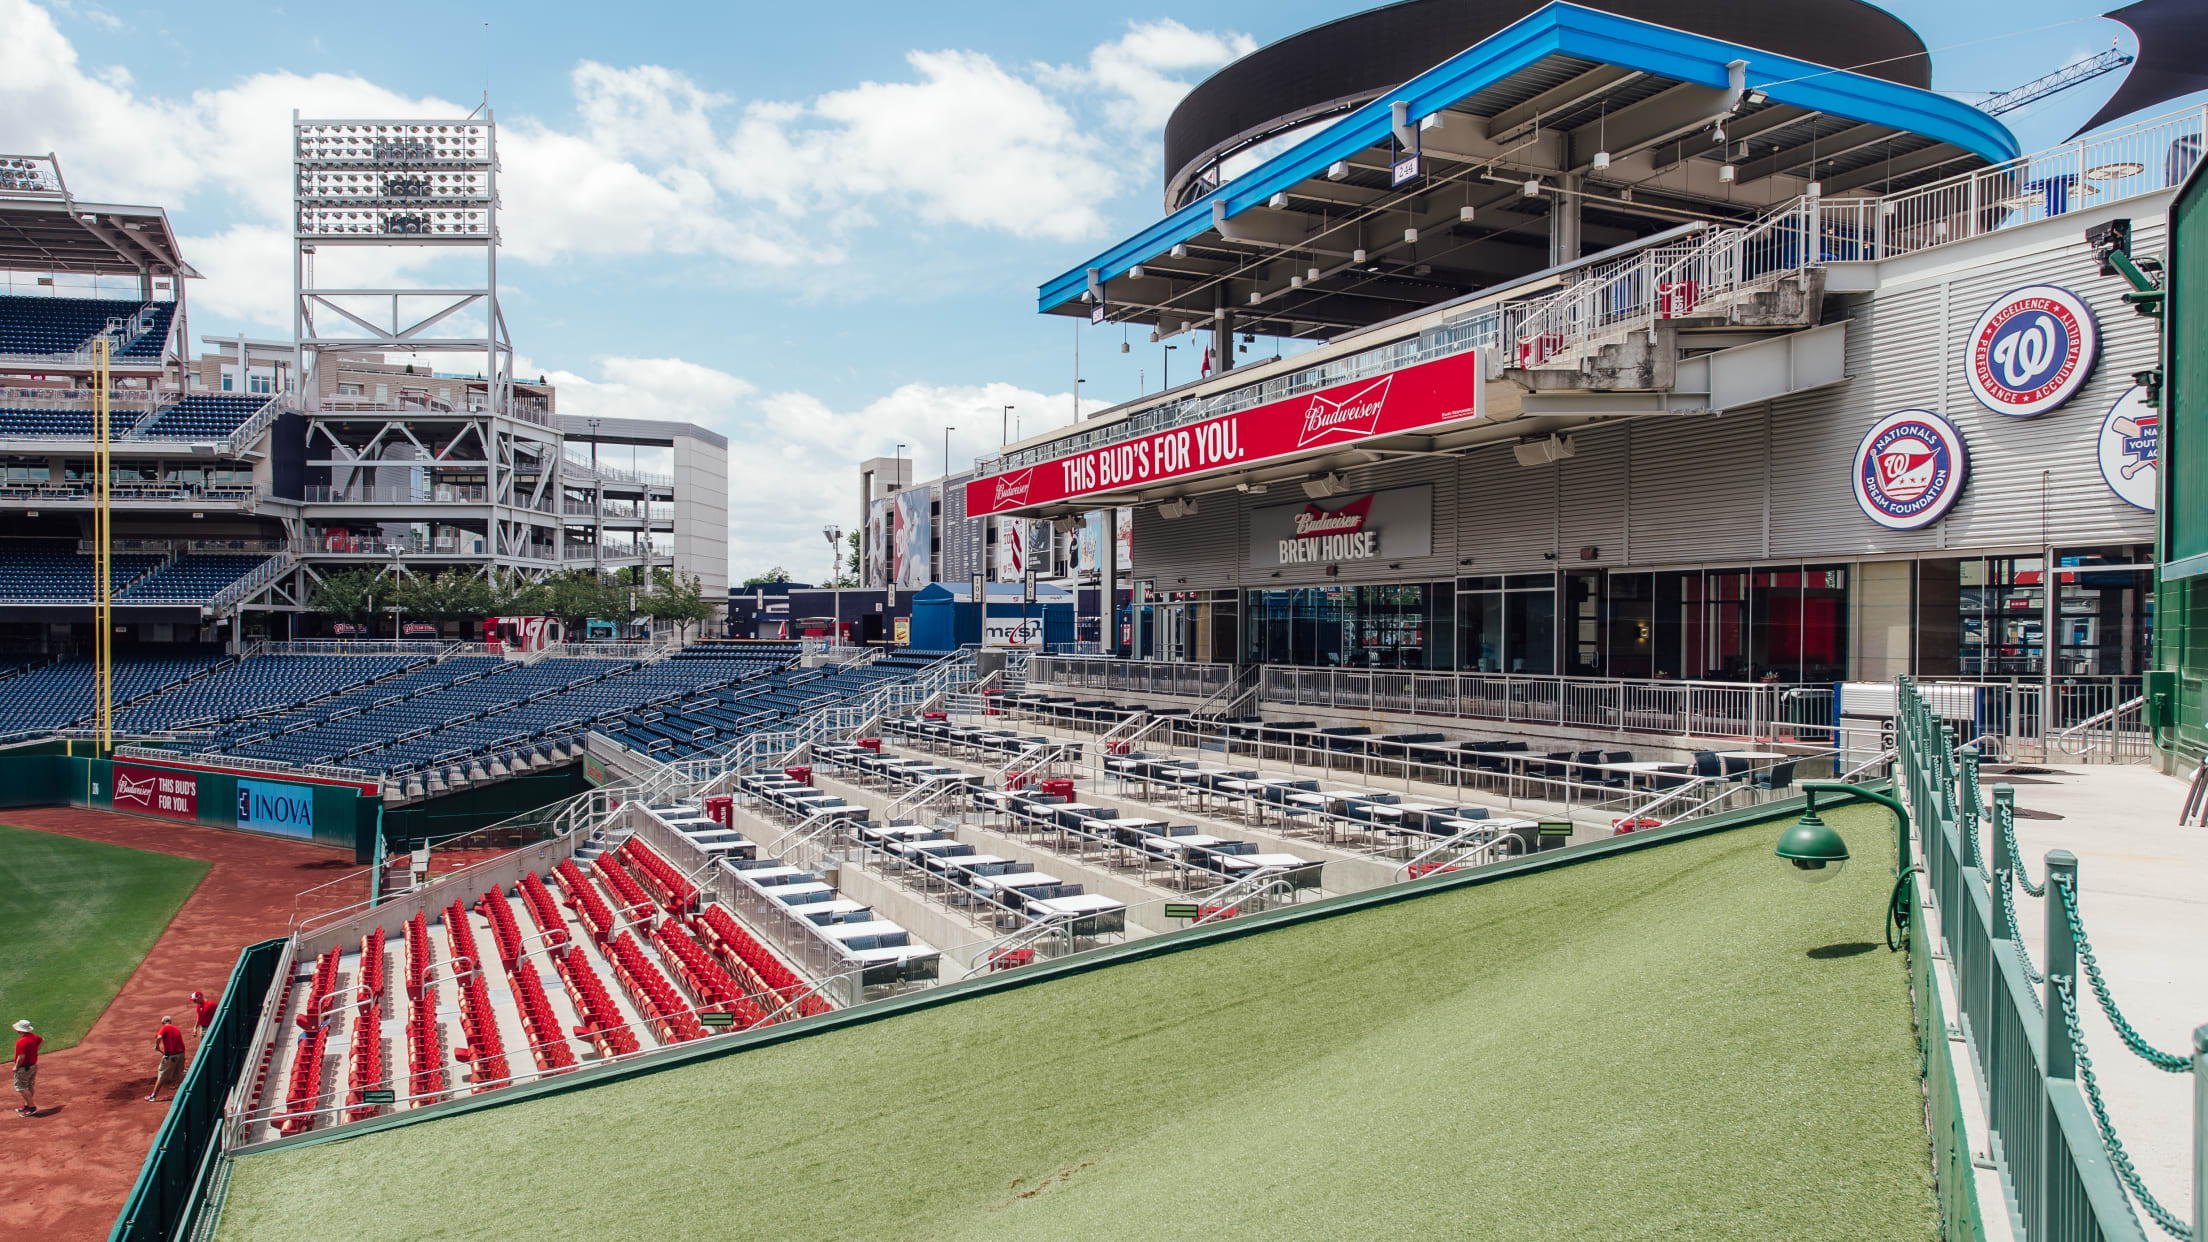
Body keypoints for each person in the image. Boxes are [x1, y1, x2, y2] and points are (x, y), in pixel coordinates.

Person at [147, 1016, 186, 1103]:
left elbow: (159, 1037)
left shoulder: (164, 1028)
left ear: (163, 1023)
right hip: (181, 1054)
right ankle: (187, 1090)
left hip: (171, 1057)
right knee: (180, 1074)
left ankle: (153, 1096)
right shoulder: (176, 1029)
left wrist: (157, 1046)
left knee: (161, 1075)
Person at [11, 1019, 39, 1117]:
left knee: (21, 1088)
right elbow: (41, 1040)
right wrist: (34, 1052)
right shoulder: (33, 1036)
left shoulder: (21, 1041)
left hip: (23, 1068)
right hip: (33, 1066)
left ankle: (32, 1107)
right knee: (29, 1085)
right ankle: (27, 1105)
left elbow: (21, 1057)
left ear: (20, 1030)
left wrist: (16, 1066)